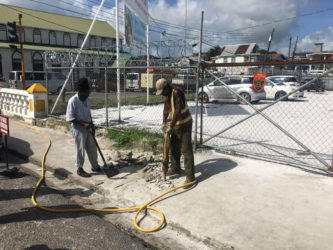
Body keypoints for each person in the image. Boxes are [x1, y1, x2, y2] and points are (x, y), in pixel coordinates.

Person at [156, 78, 196, 188]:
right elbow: (166, 110)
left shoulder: (176, 92)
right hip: (175, 125)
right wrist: (164, 122)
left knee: (186, 150)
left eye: (162, 91)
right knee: (174, 148)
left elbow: (177, 111)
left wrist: (171, 126)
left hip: (184, 124)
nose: (162, 94)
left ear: (166, 87)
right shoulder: (167, 95)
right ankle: (175, 168)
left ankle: (190, 177)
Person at [66, 77, 102, 178]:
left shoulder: (87, 100)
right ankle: (79, 168)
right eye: (86, 92)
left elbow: (88, 113)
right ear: (80, 91)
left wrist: (91, 124)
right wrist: (83, 124)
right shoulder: (73, 101)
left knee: (92, 147)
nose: (88, 94)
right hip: (77, 128)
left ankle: (95, 166)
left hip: (88, 126)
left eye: (88, 92)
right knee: (80, 148)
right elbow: (70, 118)